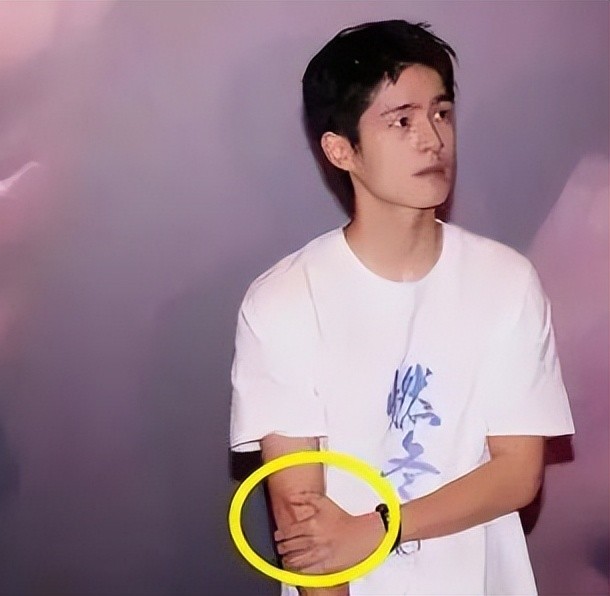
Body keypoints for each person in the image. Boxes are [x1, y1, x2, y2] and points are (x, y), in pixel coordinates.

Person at [229, 20, 574, 595]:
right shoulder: (283, 301)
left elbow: (518, 473)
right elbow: (301, 520)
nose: (432, 140)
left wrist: (378, 528)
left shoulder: (506, 281)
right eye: (402, 121)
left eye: (442, 113)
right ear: (341, 150)